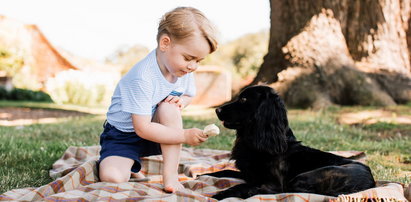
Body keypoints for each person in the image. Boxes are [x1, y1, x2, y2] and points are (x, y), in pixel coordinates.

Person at [98, 6, 218, 193]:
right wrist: (185, 135)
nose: (193, 66)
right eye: (189, 58)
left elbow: (188, 95)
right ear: (165, 43)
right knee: (113, 178)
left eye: (199, 61)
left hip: (158, 131)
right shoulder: (142, 77)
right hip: (124, 135)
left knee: (169, 108)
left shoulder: (182, 69)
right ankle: (128, 162)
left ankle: (170, 176)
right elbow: (142, 128)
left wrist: (181, 102)